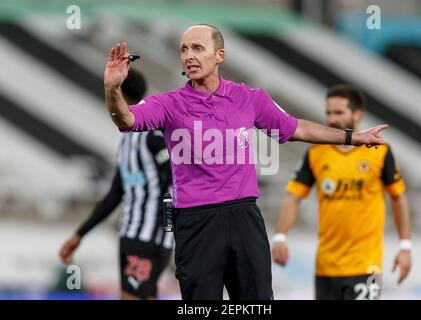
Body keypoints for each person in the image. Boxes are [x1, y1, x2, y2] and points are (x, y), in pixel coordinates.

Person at [103, 24, 389, 300]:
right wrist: (113, 91)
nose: (189, 55)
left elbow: (296, 129)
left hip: (244, 218)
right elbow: (126, 120)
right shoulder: (169, 104)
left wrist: (352, 138)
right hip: (195, 221)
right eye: (184, 49)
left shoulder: (248, 97)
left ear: (220, 56)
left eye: (198, 48)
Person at [271, 85, 412, 300]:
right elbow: (293, 197)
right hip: (326, 267)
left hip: (367, 265)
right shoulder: (316, 154)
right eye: (328, 112)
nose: (332, 119)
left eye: (339, 112)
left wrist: (405, 246)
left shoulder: (380, 153)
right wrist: (280, 237)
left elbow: (398, 197)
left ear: (357, 114)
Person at [59, 69, 173, 300]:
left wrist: (172, 225)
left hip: (148, 238)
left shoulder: (152, 133)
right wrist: (80, 234)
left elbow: (176, 176)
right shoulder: (127, 140)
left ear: (118, 93)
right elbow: (115, 193)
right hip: (133, 236)